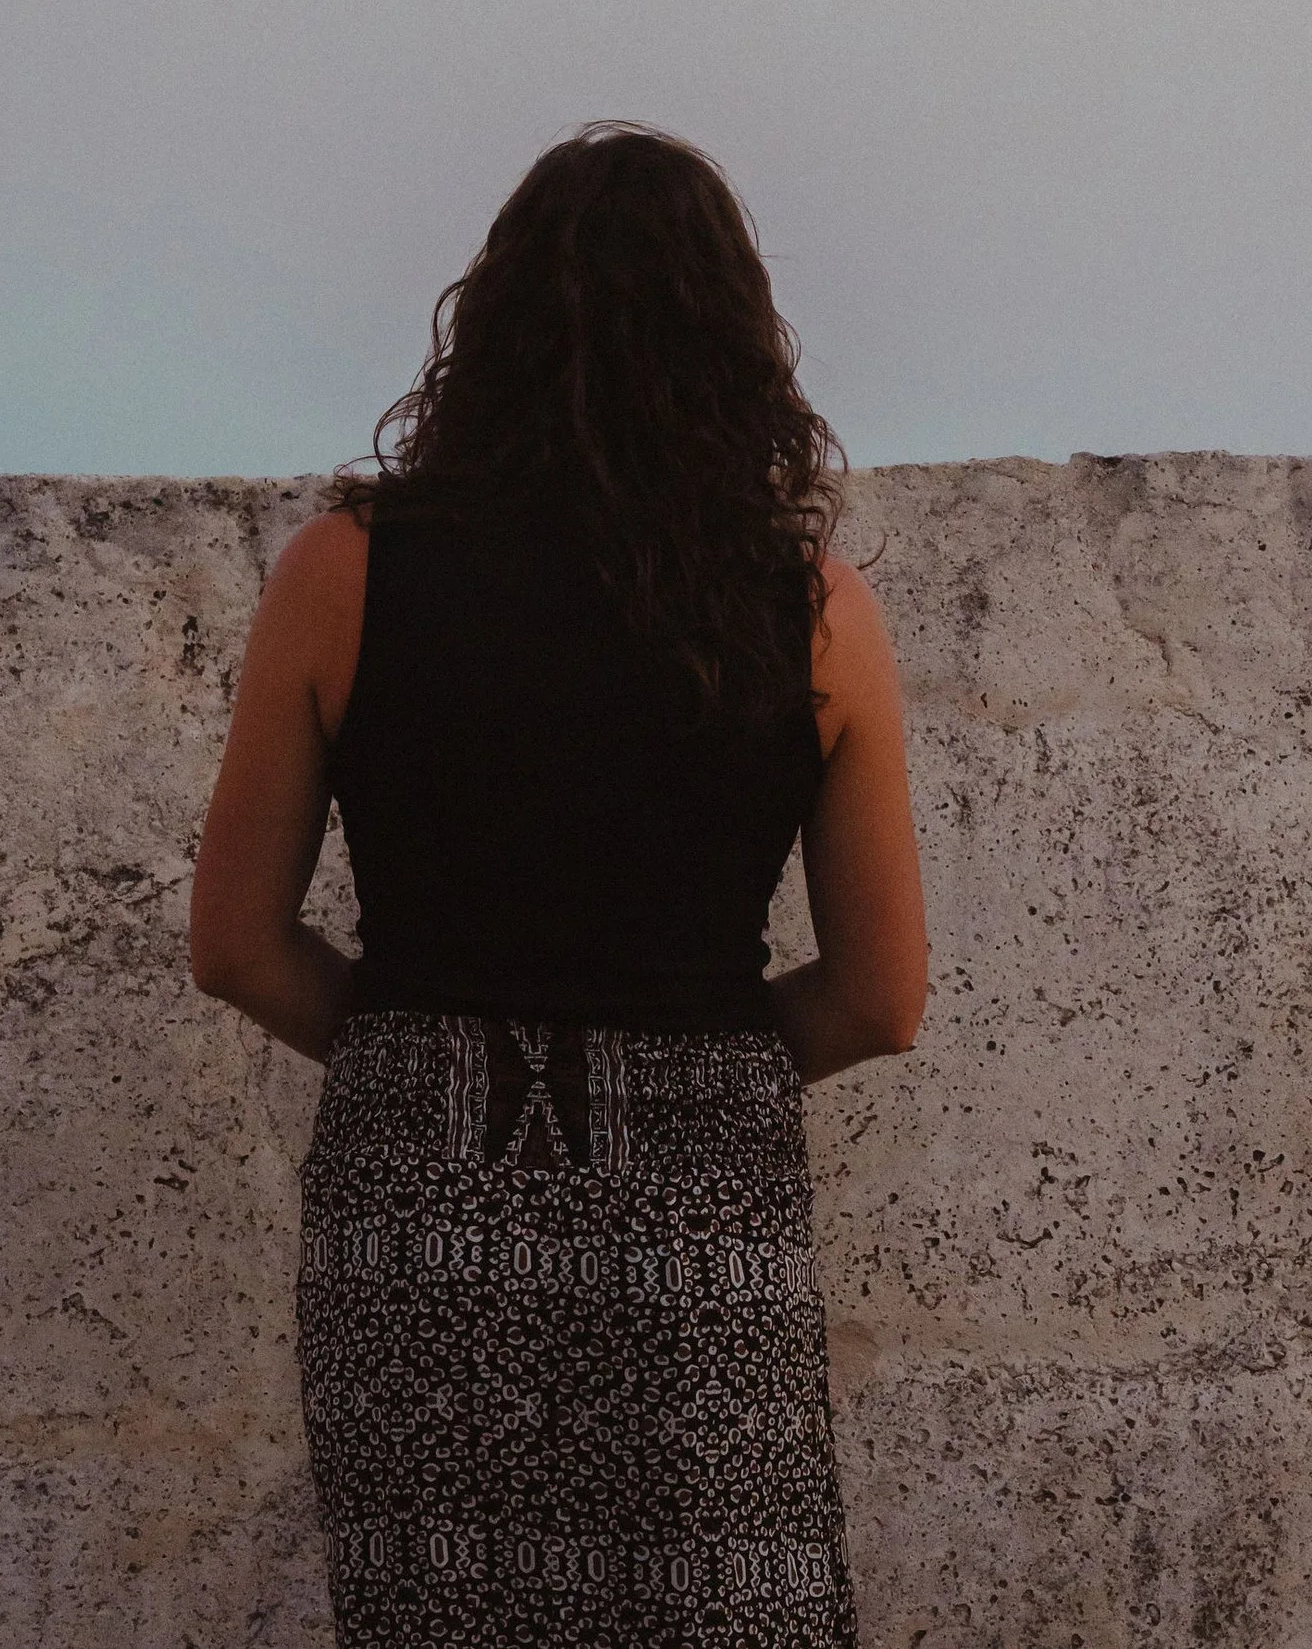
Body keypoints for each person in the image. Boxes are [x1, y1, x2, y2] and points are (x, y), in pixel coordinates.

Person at [190, 124, 927, 1647]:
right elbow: (881, 995)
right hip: (699, 1203)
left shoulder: (343, 571)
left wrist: (430, 1053)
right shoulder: (814, 611)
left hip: (416, 1192)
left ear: (495, 323)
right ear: (739, 344)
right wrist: (687, 1066)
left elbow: (237, 945)